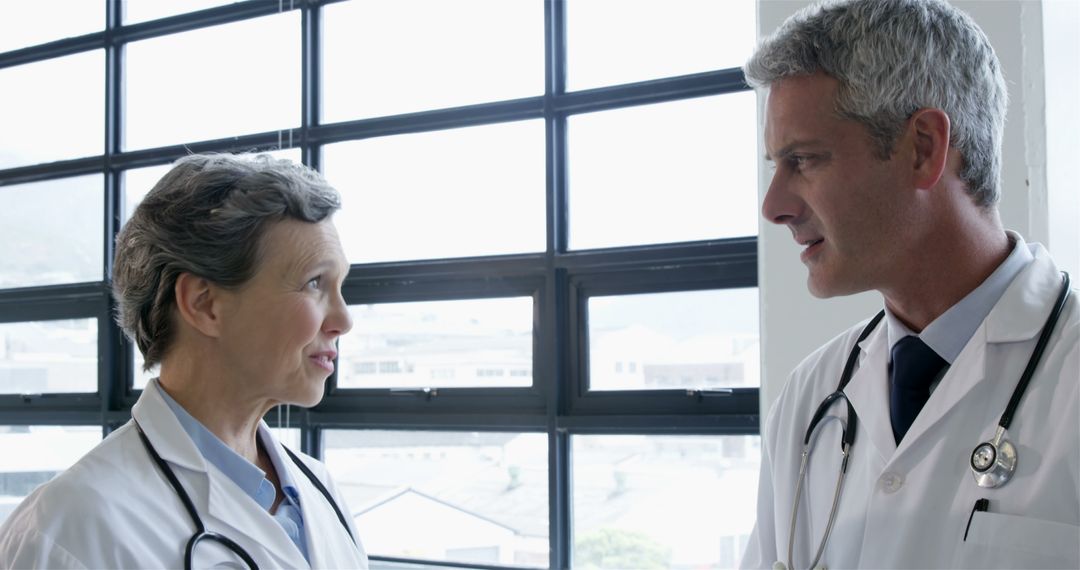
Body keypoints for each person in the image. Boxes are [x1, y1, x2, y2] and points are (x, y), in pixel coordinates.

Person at [739, 0, 1079, 568]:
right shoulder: (809, 399)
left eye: (804, 160)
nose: (773, 206)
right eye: (776, 163)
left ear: (923, 148)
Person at [0, 154, 369, 569]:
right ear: (204, 304)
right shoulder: (70, 528)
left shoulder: (320, 491)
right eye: (315, 282)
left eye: (340, 286)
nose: (343, 320)